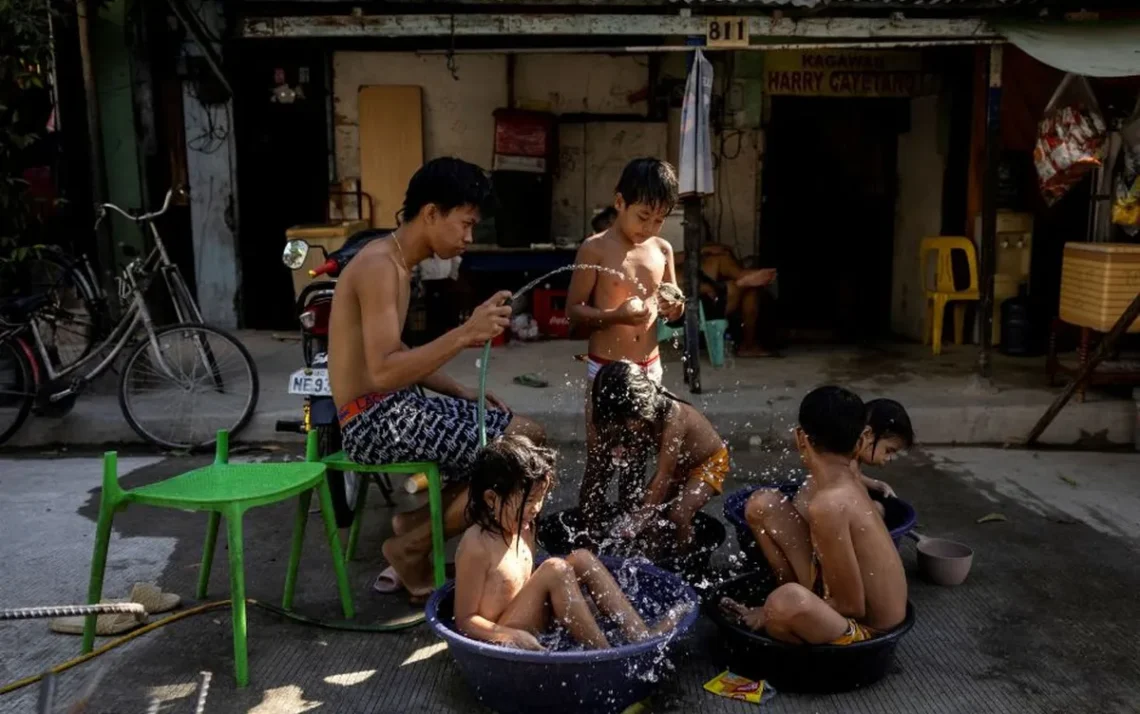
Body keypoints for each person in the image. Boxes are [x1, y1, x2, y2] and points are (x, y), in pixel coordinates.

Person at [328, 157, 546, 602]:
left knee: (526, 435)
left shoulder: (397, 263)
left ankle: (415, 527)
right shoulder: (379, 266)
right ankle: (411, 547)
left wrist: (462, 391)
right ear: (431, 213)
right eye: (465, 224)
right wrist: (467, 333)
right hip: (371, 421)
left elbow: (398, 353)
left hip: (391, 406)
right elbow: (384, 369)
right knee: (515, 460)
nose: (468, 238)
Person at [453, 435, 690, 650]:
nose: (536, 509)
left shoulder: (524, 527)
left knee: (581, 558)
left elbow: (525, 588)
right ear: (491, 499)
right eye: (529, 500)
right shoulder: (477, 547)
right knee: (554, 569)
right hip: (504, 639)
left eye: (540, 499)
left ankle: (642, 636)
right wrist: (509, 635)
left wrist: (574, 600)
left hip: (530, 622)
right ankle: (606, 655)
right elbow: (465, 621)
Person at [722, 386, 907, 645]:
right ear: (863, 439)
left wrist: (766, 614)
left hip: (867, 631)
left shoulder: (830, 504)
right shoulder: (843, 481)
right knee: (762, 504)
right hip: (845, 604)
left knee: (783, 605)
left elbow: (851, 605)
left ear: (800, 438)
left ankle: (787, 610)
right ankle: (788, 597)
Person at [566, 158, 685, 532]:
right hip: (606, 369)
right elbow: (573, 313)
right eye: (642, 216)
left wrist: (674, 307)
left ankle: (625, 537)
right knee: (601, 459)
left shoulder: (662, 250)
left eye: (658, 219)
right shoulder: (596, 249)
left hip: (649, 368)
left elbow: (674, 309)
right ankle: (587, 537)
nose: (649, 227)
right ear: (620, 203)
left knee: (638, 459)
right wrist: (615, 316)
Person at [591, 360, 729, 553]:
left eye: (629, 419)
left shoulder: (674, 417)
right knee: (650, 518)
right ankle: (654, 561)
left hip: (708, 463)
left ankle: (686, 559)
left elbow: (665, 474)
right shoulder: (644, 417)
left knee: (678, 515)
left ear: (642, 404)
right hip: (677, 467)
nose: (628, 426)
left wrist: (643, 516)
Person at [675, 243, 778, 357]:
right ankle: (743, 280)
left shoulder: (660, 253)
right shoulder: (656, 265)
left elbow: (673, 257)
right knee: (742, 287)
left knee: (722, 259)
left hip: (702, 291)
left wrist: (705, 250)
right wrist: (707, 288)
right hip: (687, 304)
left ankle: (742, 276)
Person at [856, 398, 915, 507]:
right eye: (888, 450)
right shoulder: (844, 458)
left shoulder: (851, 459)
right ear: (867, 434)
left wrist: (875, 484)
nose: (890, 458)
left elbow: (853, 475)